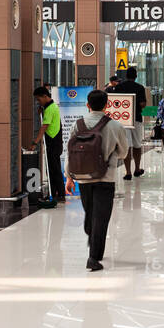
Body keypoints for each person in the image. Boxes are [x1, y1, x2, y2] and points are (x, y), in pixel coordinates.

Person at [64, 89, 128, 272]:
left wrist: (69, 178)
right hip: (105, 178)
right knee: (101, 217)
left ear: (88, 105)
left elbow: (70, 152)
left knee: (91, 214)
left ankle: (92, 240)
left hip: (82, 179)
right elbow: (123, 152)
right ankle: (93, 257)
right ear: (107, 105)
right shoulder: (115, 126)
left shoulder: (77, 125)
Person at [31, 86, 66, 207]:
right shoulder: (50, 106)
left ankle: (58, 194)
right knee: (52, 168)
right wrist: (41, 110)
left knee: (54, 169)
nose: (38, 102)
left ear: (45, 96)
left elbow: (44, 127)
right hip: (54, 141)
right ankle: (57, 193)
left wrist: (35, 142)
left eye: (39, 99)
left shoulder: (50, 109)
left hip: (53, 142)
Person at [114, 67, 148, 179]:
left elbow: (115, 103)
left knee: (126, 146)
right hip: (136, 118)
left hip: (123, 120)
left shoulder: (118, 87)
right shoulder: (139, 88)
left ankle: (127, 172)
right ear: (136, 76)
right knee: (137, 145)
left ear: (126, 76)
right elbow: (143, 104)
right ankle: (137, 169)